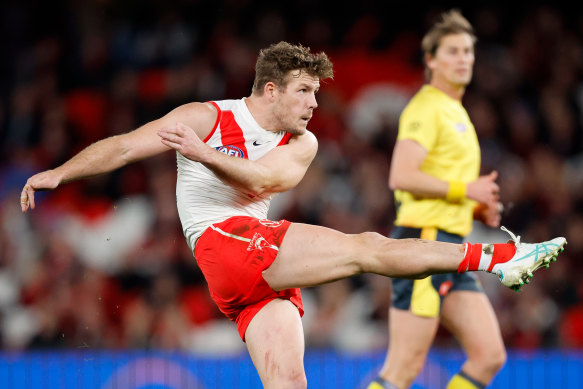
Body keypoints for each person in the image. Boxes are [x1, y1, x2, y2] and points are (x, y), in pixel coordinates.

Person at [20, 41, 565, 389]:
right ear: (271, 89)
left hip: (244, 272)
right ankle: (500, 257)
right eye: (304, 91)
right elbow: (120, 148)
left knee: (289, 382)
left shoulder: (300, 144)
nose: (314, 104)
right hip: (226, 242)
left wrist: (203, 153)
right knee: (366, 249)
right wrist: (59, 174)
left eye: (317, 93)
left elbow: (261, 180)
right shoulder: (206, 117)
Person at [367, 10, 523, 389]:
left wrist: (476, 205)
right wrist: (466, 190)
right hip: (425, 240)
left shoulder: (456, 112)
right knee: (402, 368)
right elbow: (401, 175)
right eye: (452, 51)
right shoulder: (427, 106)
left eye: (468, 51)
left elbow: (439, 183)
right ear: (431, 60)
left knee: (489, 356)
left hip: (452, 245)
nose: (464, 59)